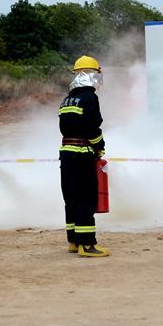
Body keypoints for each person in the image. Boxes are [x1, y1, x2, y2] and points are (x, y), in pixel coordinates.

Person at [58, 55, 108, 258]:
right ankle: (87, 245)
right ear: (93, 76)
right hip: (82, 155)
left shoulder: (67, 98)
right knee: (86, 199)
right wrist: (100, 148)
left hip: (66, 154)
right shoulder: (90, 98)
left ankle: (73, 241)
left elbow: (64, 127)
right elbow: (93, 127)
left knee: (71, 198)